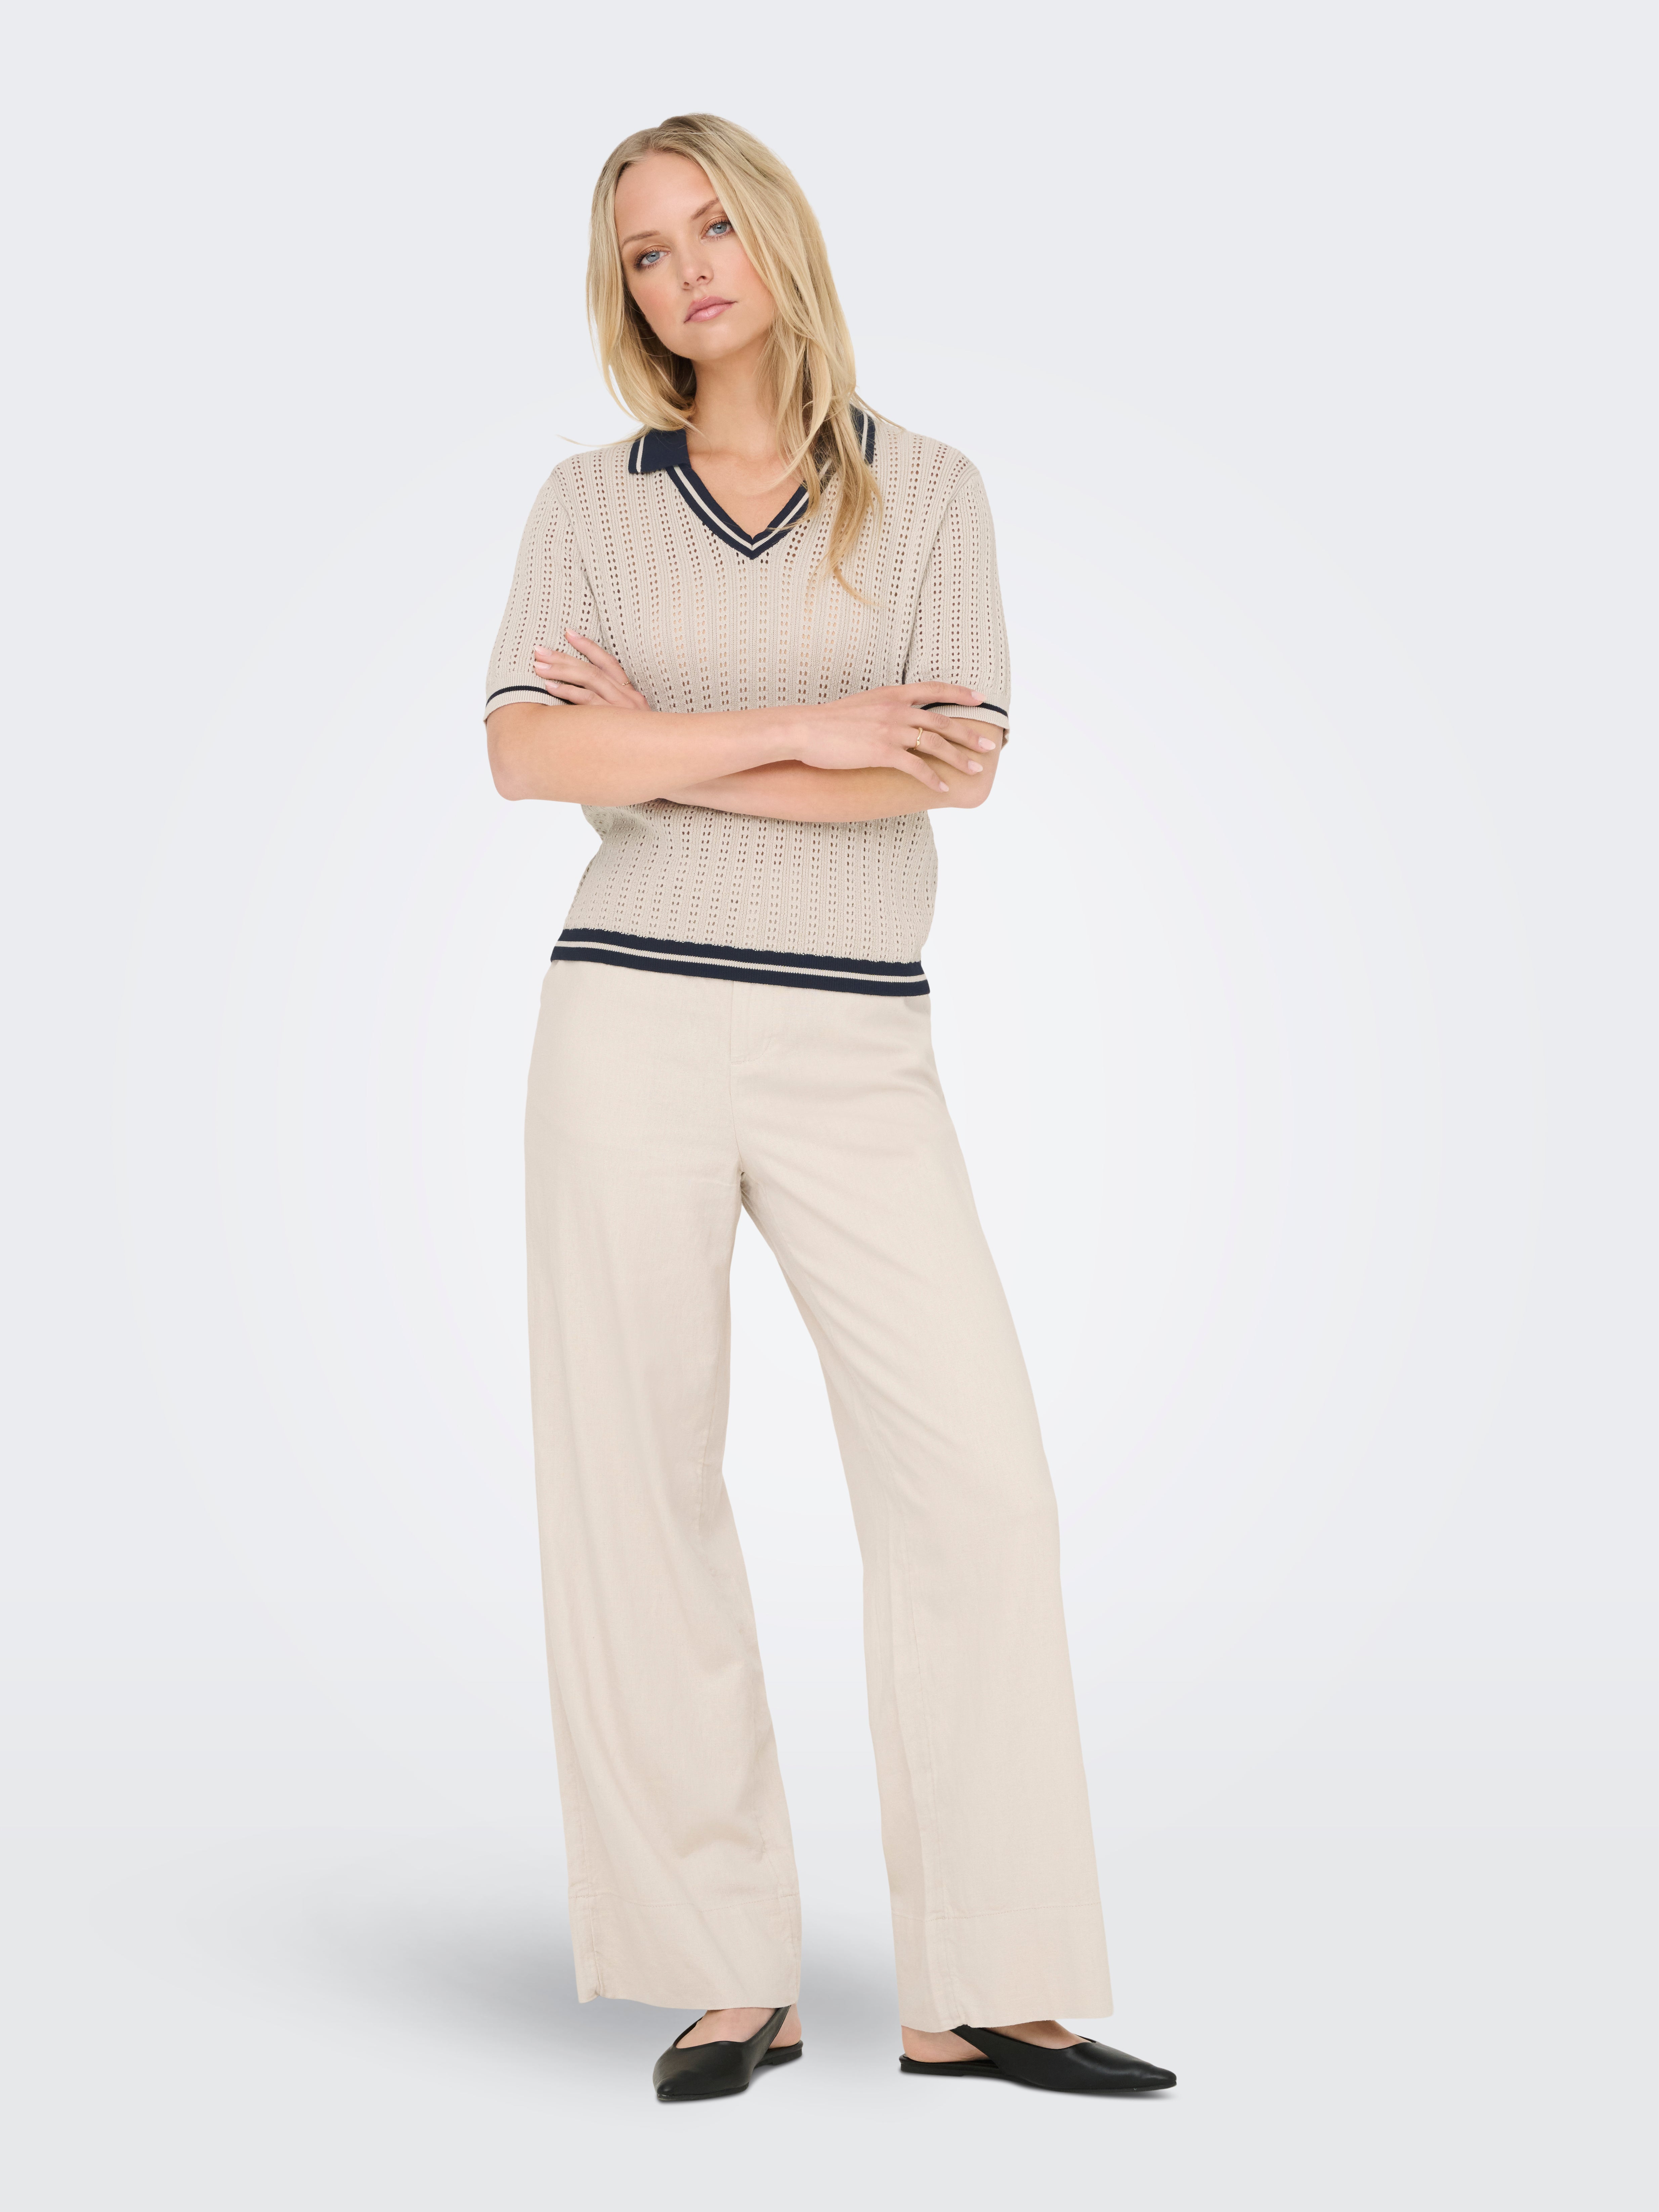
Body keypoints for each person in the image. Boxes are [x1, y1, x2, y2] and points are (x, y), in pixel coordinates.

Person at [483, 113, 1175, 2104]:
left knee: (980, 1485)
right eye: (645, 251)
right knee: (637, 1481)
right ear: (622, 291)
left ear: (778, 236)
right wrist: (808, 721)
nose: (687, 270)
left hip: (858, 1035)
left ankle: (989, 1984)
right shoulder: (587, 503)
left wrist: (657, 740)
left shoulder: (929, 489)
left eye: (712, 226)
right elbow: (527, 759)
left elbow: (948, 769)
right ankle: (719, 1968)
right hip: (626, 1015)